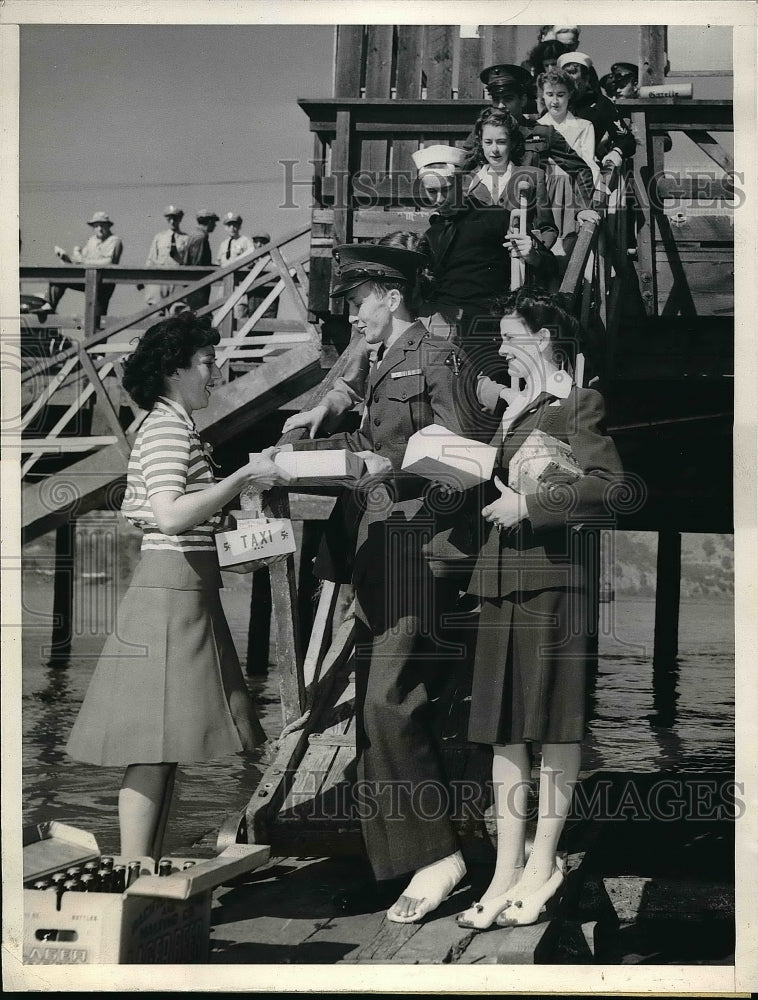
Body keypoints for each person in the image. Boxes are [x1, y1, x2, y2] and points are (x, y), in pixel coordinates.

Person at [279, 241, 478, 924]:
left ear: (392, 299)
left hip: (420, 551)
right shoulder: (373, 359)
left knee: (392, 702)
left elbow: (466, 459)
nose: (353, 318)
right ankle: (398, 862)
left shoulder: (440, 357)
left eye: (360, 304)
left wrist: (387, 474)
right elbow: (372, 431)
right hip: (377, 551)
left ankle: (439, 857)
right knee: (374, 712)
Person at [65, 311, 293, 859]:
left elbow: (173, 517)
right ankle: (135, 870)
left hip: (181, 588)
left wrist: (237, 535)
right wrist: (243, 477)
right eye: (208, 363)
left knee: (163, 745)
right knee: (151, 744)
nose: (214, 374)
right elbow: (169, 515)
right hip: (170, 595)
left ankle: (144, 864)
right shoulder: (168, 428)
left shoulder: (171, 425)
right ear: (177, 370)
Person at [455, 287, 623, 930]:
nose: (499, 348)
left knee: (554, 726)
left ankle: (542, 866)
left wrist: (529, 508)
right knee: (502, 729)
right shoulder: (518, 408)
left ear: (544, 339)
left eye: (508, 336)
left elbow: (610, 489)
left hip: (556, 583)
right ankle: (504, 871)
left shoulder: (580, 403)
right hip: (502, 578)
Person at [556, 51, 637, 165]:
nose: (568, 79)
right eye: (564, 75)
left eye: (572, 73)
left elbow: (625, 139)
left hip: (587, 169)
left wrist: (615, 152)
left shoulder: (600, 103)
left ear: (586, 78)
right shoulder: (554, 104)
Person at [49, 211, 123, 320]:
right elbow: (80, 261)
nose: (99, 228)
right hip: (89, 279)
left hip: (103, 284)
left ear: (108, 226)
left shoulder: (115, 241)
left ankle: (98, 336)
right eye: (96, 226)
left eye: (102, 225)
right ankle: (49, 305)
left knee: (96, 320)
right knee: (58, 277)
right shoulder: (91, 241)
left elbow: (108, 262)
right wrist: (68, 258)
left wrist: (82, 260)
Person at [537, 68, 601, 185]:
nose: (555, 101)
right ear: (543, 95)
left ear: (570, 94)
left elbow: (588, 162)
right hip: (543, 187)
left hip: (575, 186)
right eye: (550, 94)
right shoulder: (536, 127)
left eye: (560, 95)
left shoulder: (584, 127)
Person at [143, 205, 189, 311]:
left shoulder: (186, 239)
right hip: (160, 279)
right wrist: (144, 279)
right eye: (169, 218)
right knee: (157, 312)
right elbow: (151, 259)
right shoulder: (159, 237)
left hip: (178, 279)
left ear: (180, 219)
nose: (172, 221)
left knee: (178, 311)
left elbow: (188, 261)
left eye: (175, 218)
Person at [182, 209, 219, 310]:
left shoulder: (195, 235)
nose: (215, 225)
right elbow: (197, 264)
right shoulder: (200, 237)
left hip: (193, 283)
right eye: (214, 222)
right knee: (199, 313)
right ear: (210, 222)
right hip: (197, 284)